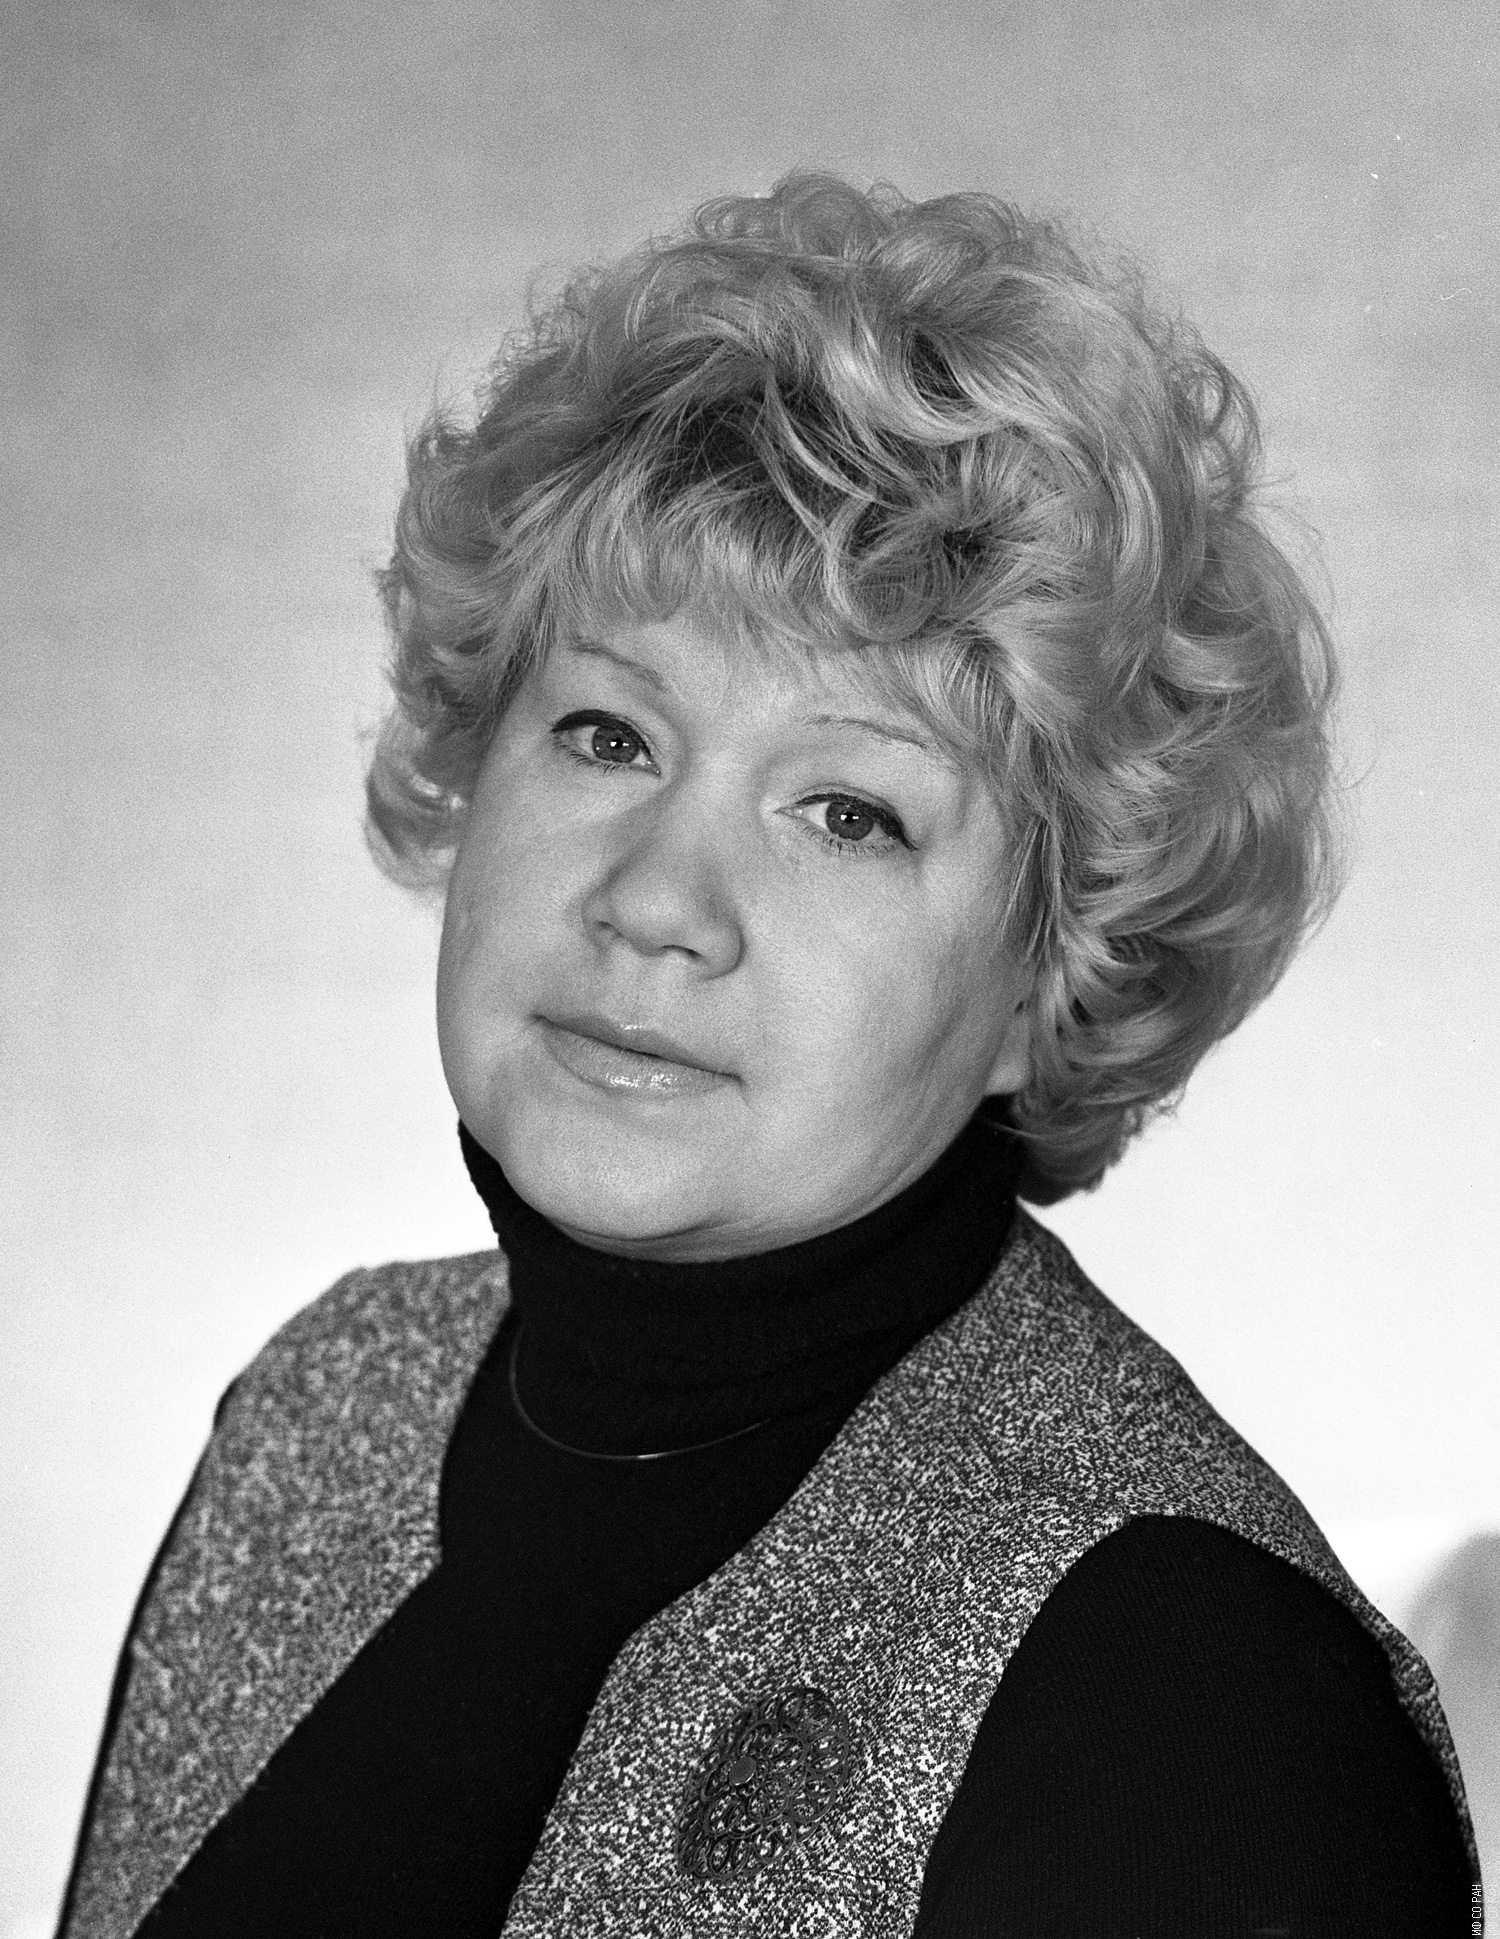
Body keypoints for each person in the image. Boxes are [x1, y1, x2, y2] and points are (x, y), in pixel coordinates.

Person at [58, 174, 1481, 1938]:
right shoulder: (324, 1414)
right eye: (608, 732)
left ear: (1053, 973)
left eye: (848, 813)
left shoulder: (1195, 1708)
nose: (660, 899)